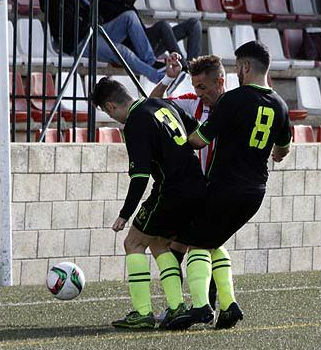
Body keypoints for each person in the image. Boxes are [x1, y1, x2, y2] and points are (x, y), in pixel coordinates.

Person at [165, 41, 292, 330]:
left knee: (193, 242)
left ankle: (200, 308)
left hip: (225, 187)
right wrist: (274, 152)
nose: (237, 73)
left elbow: (199, 139)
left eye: (238, 67)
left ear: (245, 67)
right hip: (255, 193)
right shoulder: (280, 104)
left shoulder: (233, 100)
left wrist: (176, 143)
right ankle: (230, 305)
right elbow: (283, 150)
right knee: (213, 242)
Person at [91, 75, 208, 329]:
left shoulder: (135, 122)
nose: (113, 118)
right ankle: (177, 308)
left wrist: (125, 213)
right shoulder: (163, 104)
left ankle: (143, 312)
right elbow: (197, 132)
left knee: (133, 243)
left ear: (111, 106)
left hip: (171, 190)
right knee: (157, 241)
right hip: (196, 184)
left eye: (109, 114)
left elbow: (140, 175)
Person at [150, 53, 241, 328]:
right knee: (195, 245)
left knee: (187, 245)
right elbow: (152, 105)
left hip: (219, 191)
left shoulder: (237, 107)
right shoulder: (192, 103)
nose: (198, 93)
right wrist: (168, 77)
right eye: (195, 87)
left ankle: (194, 308)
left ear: (220, 82)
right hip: (193, 190)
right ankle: (210, 307)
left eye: (203, 87)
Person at [42, 0, 165, 83]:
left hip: (92, 31)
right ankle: (157, 77)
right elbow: (68, 27)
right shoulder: (55, 3)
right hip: (78, 41)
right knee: (122, 51)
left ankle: (150, 61)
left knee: (130, 16)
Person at [98, 0, 202, 72]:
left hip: (146, 46)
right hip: (131, 51)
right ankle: (184, 70)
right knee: (162, 26)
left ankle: (193, 69)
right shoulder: (104, 5)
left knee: (194, 24)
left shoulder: (128, 5)